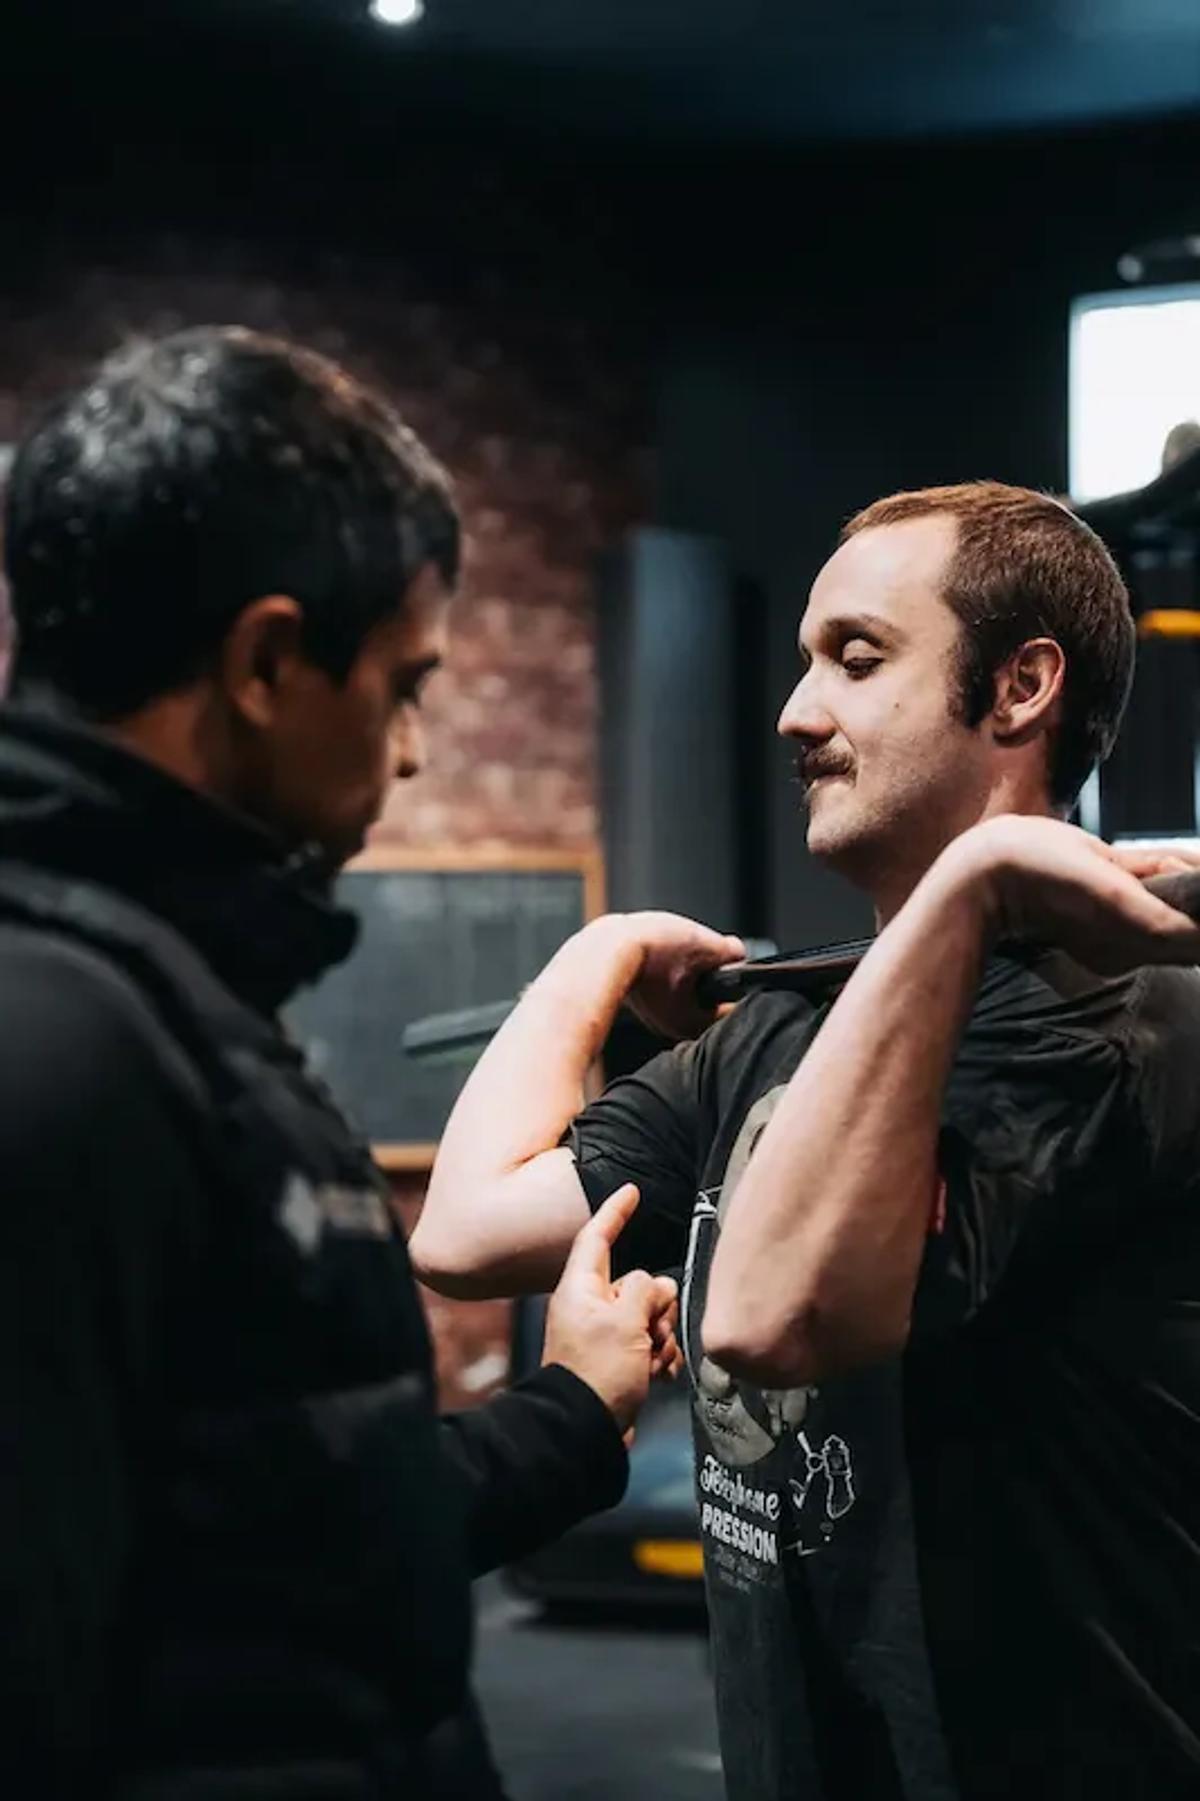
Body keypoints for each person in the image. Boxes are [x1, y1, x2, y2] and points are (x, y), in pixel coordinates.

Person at [412, 481, 1200, 1800]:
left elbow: (771, 1321)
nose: (796, 711)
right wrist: (588, 961)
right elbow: (468, 1231)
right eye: (802, 662)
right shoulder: (783, 1029)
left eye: (857, 658)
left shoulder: (1110, 1022)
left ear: (1020, 687)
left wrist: (967, 890)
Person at [0, 326, 693, 1800]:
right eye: (401, 683)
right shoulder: (61, 1047)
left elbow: (286, 1538)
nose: (417, 750)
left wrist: (565, 1416)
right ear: (265, 662)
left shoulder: (165, 995)